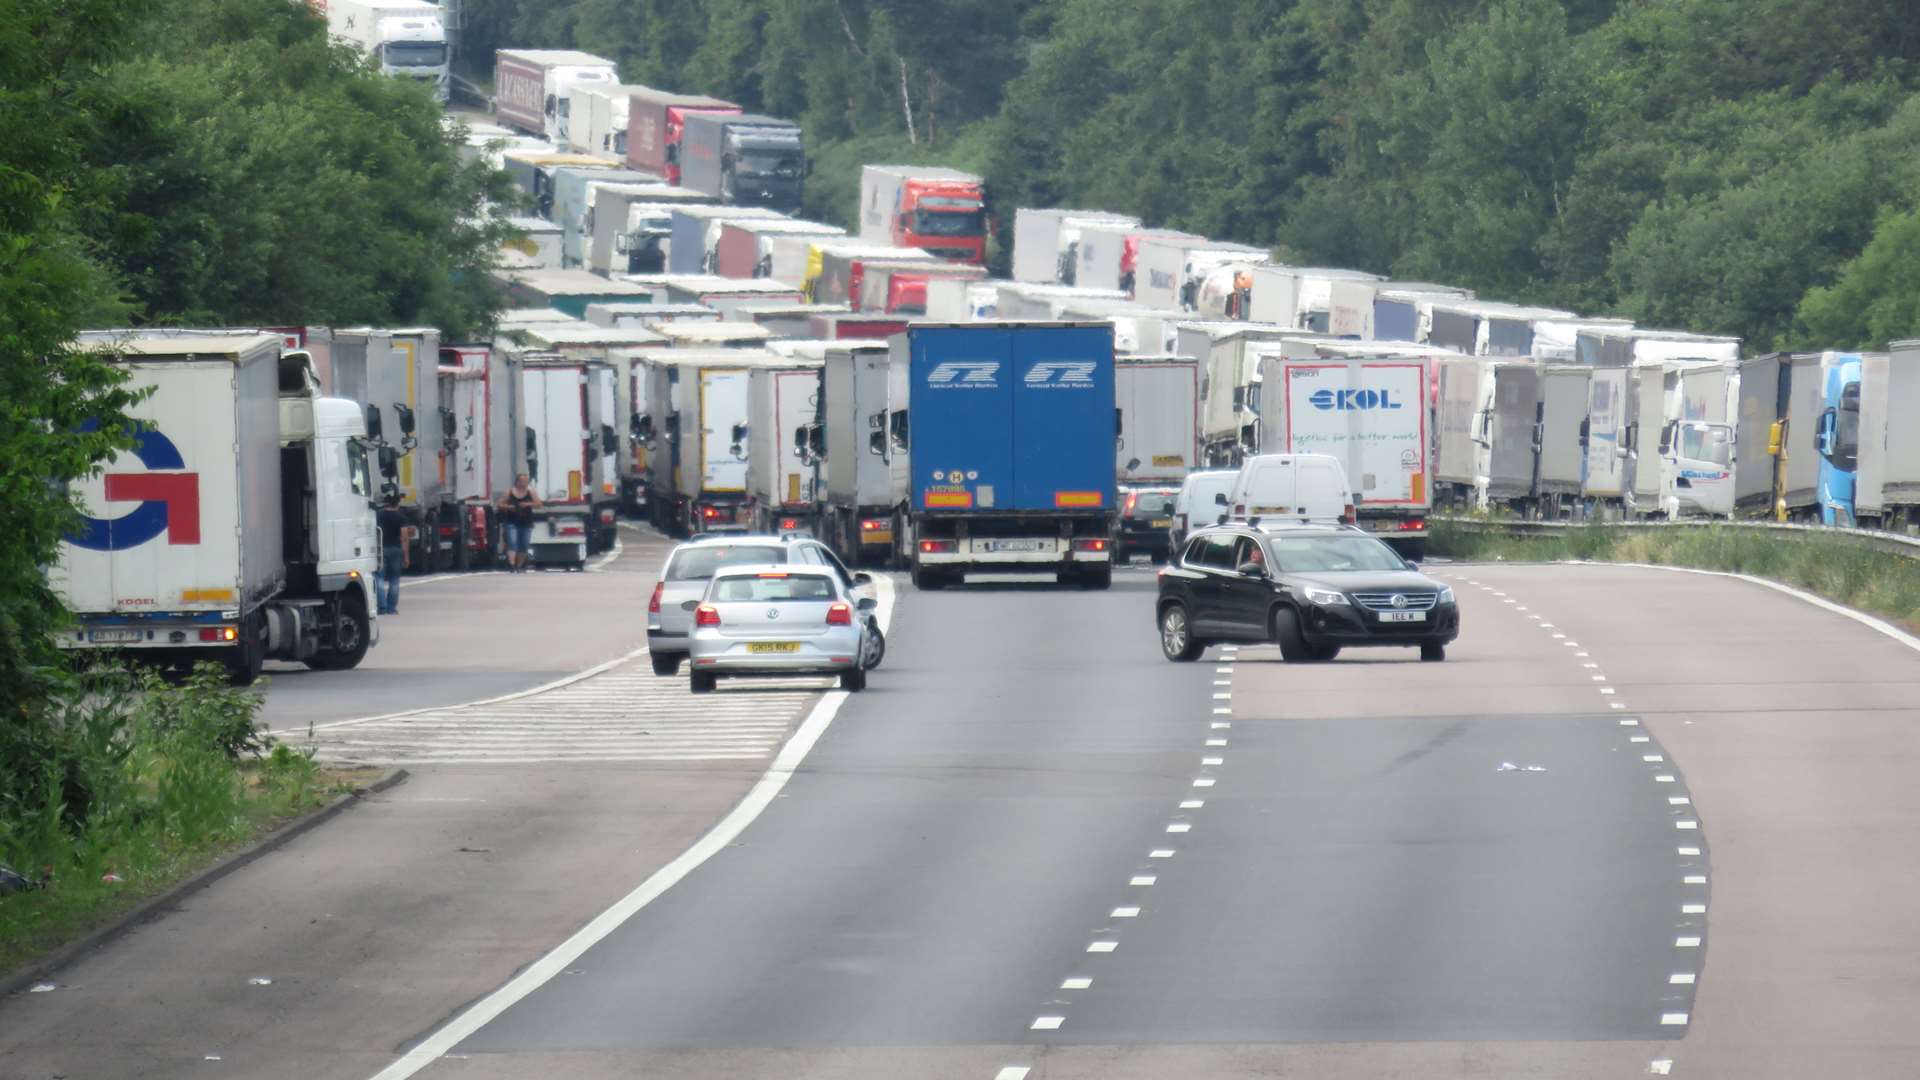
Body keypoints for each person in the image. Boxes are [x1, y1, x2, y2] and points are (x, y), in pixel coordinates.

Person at [498, 473, 542, 573]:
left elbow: (539, 504)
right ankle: (512, 565)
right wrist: (510, 507)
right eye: (522, 481)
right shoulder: (509, 492)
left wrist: (527, 504)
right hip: (512, 521)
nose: (524, 483)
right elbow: (500, 504)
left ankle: (519, 566)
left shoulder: (530, 492)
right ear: (517, 481)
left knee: (524, 544)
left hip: (526, 521)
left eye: (526, 481)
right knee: (512, 542)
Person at [376, 496, 411, 615]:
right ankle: (391, 608)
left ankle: (381, 607)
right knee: (394, 580)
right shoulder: (401, 518)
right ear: (398, 504)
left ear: (386, 503)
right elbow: (404, 538)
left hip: (380, 549)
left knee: (379, 578)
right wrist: (406, 556)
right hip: (396, 550)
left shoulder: (378, 515)